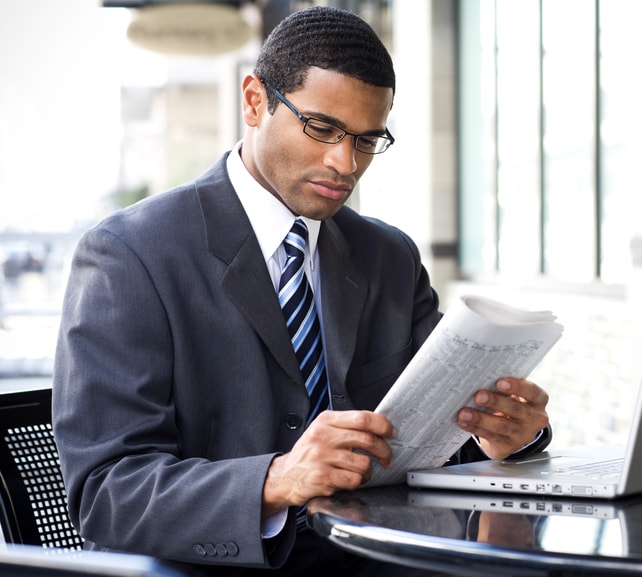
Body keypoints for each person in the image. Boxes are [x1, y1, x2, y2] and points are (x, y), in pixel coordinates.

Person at [52, 6, 551, 577]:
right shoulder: (128, 255)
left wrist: (504, 437)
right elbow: (107, 494)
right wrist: (276, 479)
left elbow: (436, 445)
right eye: (322, 129)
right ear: (254, 101)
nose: (345, 163)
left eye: (366, 140)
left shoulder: (389, 257)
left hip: (371, 559)